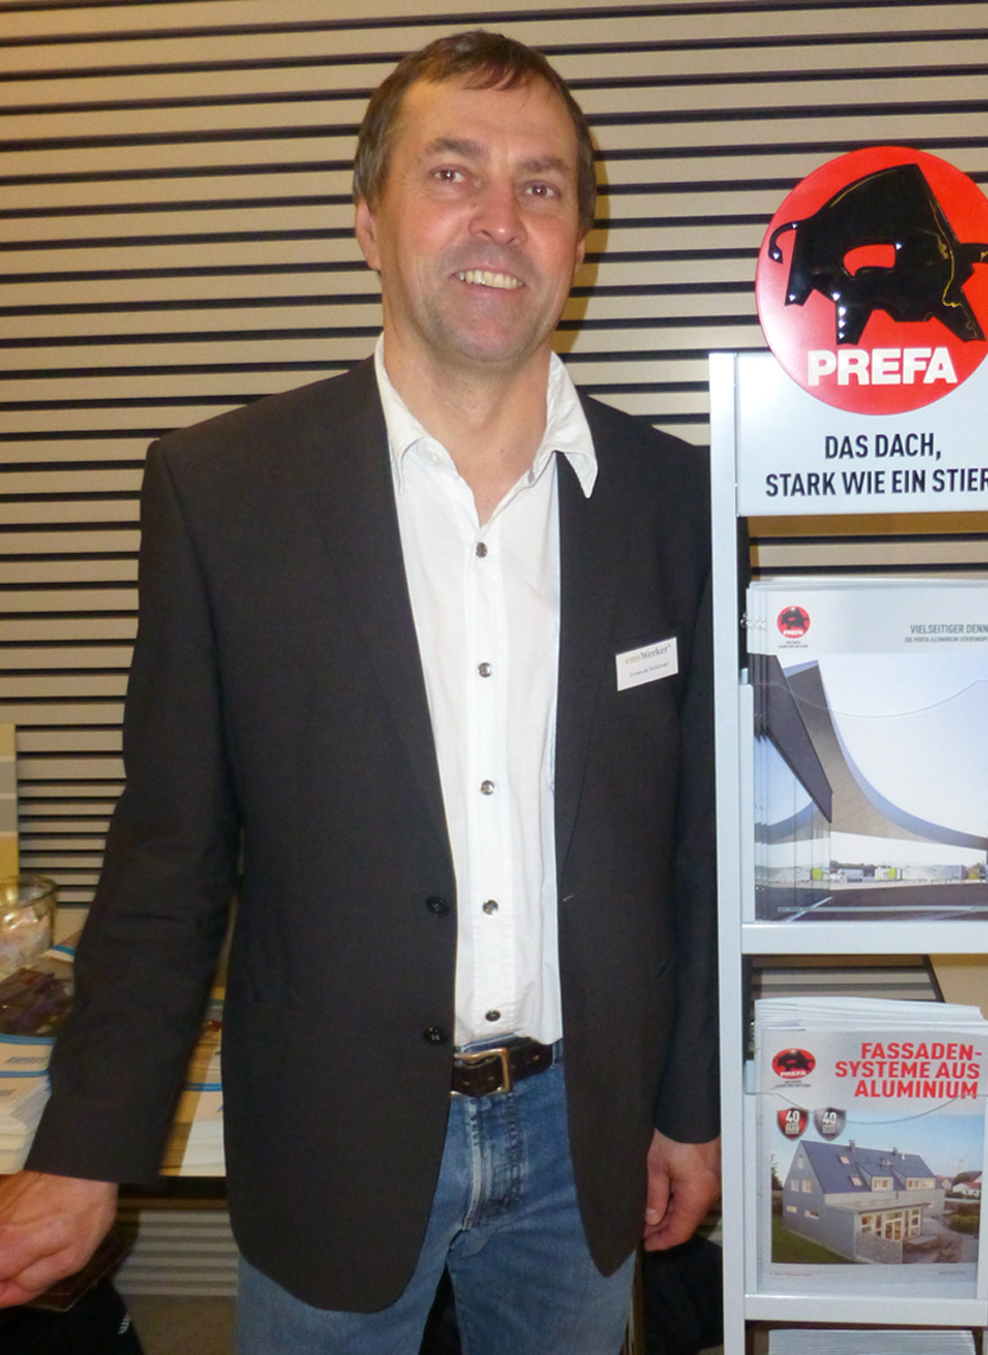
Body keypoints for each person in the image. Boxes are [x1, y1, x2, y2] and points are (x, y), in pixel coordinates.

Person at [0, 30, 720, 1354]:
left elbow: (695, 848)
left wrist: (690, 1106)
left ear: (579, 239)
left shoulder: (677, 503)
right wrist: (86, 1145)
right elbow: (170, 854)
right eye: (453, 173)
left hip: (586, 1134)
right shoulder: (223, 493)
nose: (500, 217)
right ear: (368, 221)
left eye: (542, 185)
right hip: (331, 1131)